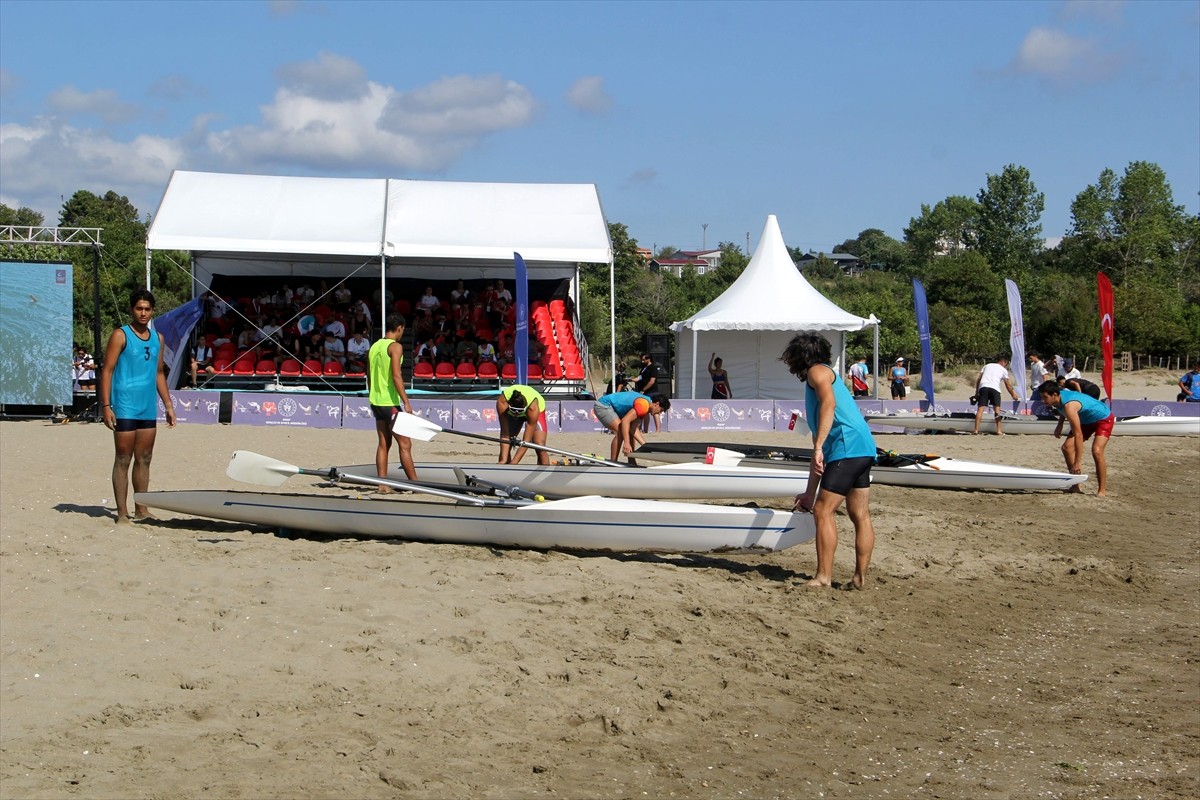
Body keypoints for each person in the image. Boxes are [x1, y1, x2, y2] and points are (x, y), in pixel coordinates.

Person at [780, 333, 877, 589]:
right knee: (859, 514)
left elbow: (829, 404)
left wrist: (820, 446)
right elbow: (818, 450)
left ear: (802, 356)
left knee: (824, 511)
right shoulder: (820, 375)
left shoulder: (817, 372)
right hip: (863, 447)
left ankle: (823, 578)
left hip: (847, 447)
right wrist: (809, 492)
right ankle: (859, 578)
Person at [99, 289, 177, 523]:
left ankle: (141, 509)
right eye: (139, 308)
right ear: (132, 309)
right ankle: (122, 513)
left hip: (147, 407)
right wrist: (105, 405)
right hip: (124, 406)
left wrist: (168, 405)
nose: (143, 313)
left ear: (153, 311)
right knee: (123, 458)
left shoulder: (158, 338)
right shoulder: (120, 335)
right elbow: (107, 371)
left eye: (147, 309)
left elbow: (159, 373)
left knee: (145, 458)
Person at [367, 313, 418, 489]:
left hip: (376, 401)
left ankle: (382, 484)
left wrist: (372, 395)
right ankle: (415, 485)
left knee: (383, 443)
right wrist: (407, 402)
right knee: (405, 444)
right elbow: (397, 376)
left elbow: (369, 376)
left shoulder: (374, 346)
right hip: (390, 402)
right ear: (400, 328)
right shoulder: (395, 347)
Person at [1037, 379, 1114, 496]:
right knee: (1067, 448)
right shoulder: (1056, 399)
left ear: (1054, 394)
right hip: (1085, 420)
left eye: (1045, 397)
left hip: (1103, 418)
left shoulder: (1069, 406)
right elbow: (1061, 409)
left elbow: (1078, 435)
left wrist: (1077, 463)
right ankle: (1076, 485)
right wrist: (1060, 424)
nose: (1043, 401)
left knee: (1096, 451)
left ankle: (1102, 490)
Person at [593, 390, 670, 464]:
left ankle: (631, 461)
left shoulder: (646, 405)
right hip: (603, 405)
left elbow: (633, 428)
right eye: (661, 410)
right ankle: (613, 462)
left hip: (612, 407)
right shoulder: (643, 405)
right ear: (657, 404)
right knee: (620, 431)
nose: (659, 413)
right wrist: (626, 443)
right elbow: (625, 421)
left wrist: (645, 445)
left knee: (629, 433)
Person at [496, 384, 549, 465]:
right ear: (509, 405)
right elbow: (504, 434)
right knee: (508, 441)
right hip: (516, 408)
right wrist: (503, 461)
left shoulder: (533, 408)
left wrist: (514, 463)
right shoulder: (502, 402)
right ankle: (505, 468)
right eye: (513, 410)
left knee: (539, 444)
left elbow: (526, 441)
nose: (516, 414)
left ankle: (545, 469)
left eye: (519, 412)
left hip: (535, 409)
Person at [972, 355, 1021, 435]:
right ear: (1004, 362)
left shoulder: (987, 365)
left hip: (983, 387)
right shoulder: (1003, 370)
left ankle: (976, 430)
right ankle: (999, 431)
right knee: (997, 410)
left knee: (980, 409)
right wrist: (1013, 395)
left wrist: (977, 392)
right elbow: (1008, 385)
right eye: (1006, 364)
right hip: (995, 388)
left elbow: (979, 379)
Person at [634, 353, 660, 433]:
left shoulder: (653, 368)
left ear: (649, 359)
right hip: (643, 392)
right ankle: (645, 430)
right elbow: (639, 378)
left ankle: (658, 430)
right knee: (645, 411)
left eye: (644, 359)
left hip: (651, 391)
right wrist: (630, 379)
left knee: (655, 410)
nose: (642, 361)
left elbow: (652, 381)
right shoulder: (643, 368)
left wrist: (643, 389)